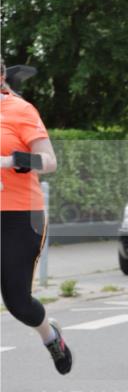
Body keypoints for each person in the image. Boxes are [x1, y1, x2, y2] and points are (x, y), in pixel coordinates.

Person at [0, 60, 72, 373]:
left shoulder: (21, 110)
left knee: (18, 303)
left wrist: (11, 160)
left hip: (18, 216)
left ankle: (50, 336)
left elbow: (49, 161)